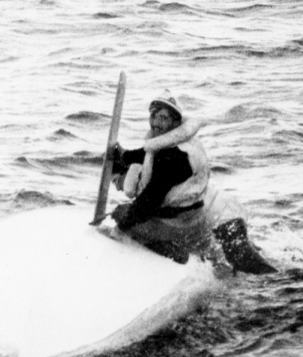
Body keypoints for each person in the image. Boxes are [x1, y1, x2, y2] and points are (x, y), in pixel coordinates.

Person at [110, 91, 276, 274]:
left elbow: (149, 200)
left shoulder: (174, 157)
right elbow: (147, 154)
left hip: (200, 221)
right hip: (214, 210)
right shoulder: (180, 143)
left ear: (176, 123)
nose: (156, 122)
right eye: (153, 116)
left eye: (163, 118)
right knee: (248, 258)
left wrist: (121, 228)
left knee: (121, 213)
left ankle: (174, 249)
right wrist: (123, 155)